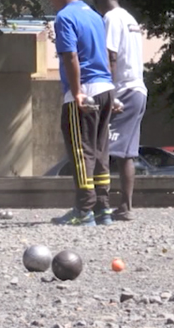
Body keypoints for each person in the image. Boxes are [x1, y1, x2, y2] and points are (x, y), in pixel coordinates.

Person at [50, 0, 115, 226]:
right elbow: (107, 55)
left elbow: (70, 55)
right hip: (105, 87)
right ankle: (103, 209)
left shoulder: (65, 17)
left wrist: (77, 92)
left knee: (81, 151)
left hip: (85, 88)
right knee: (99, 150)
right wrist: (110, 87)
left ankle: (84, 209)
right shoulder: (95, 15)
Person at [94, 0, 148, 221]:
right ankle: (125, 206)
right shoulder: (129, 18)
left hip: (123, 91)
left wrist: (108, 91)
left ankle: (99, 204)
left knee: (102, 146)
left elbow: (111, 56)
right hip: (138, 90)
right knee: (126, 153)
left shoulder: (111, 18)